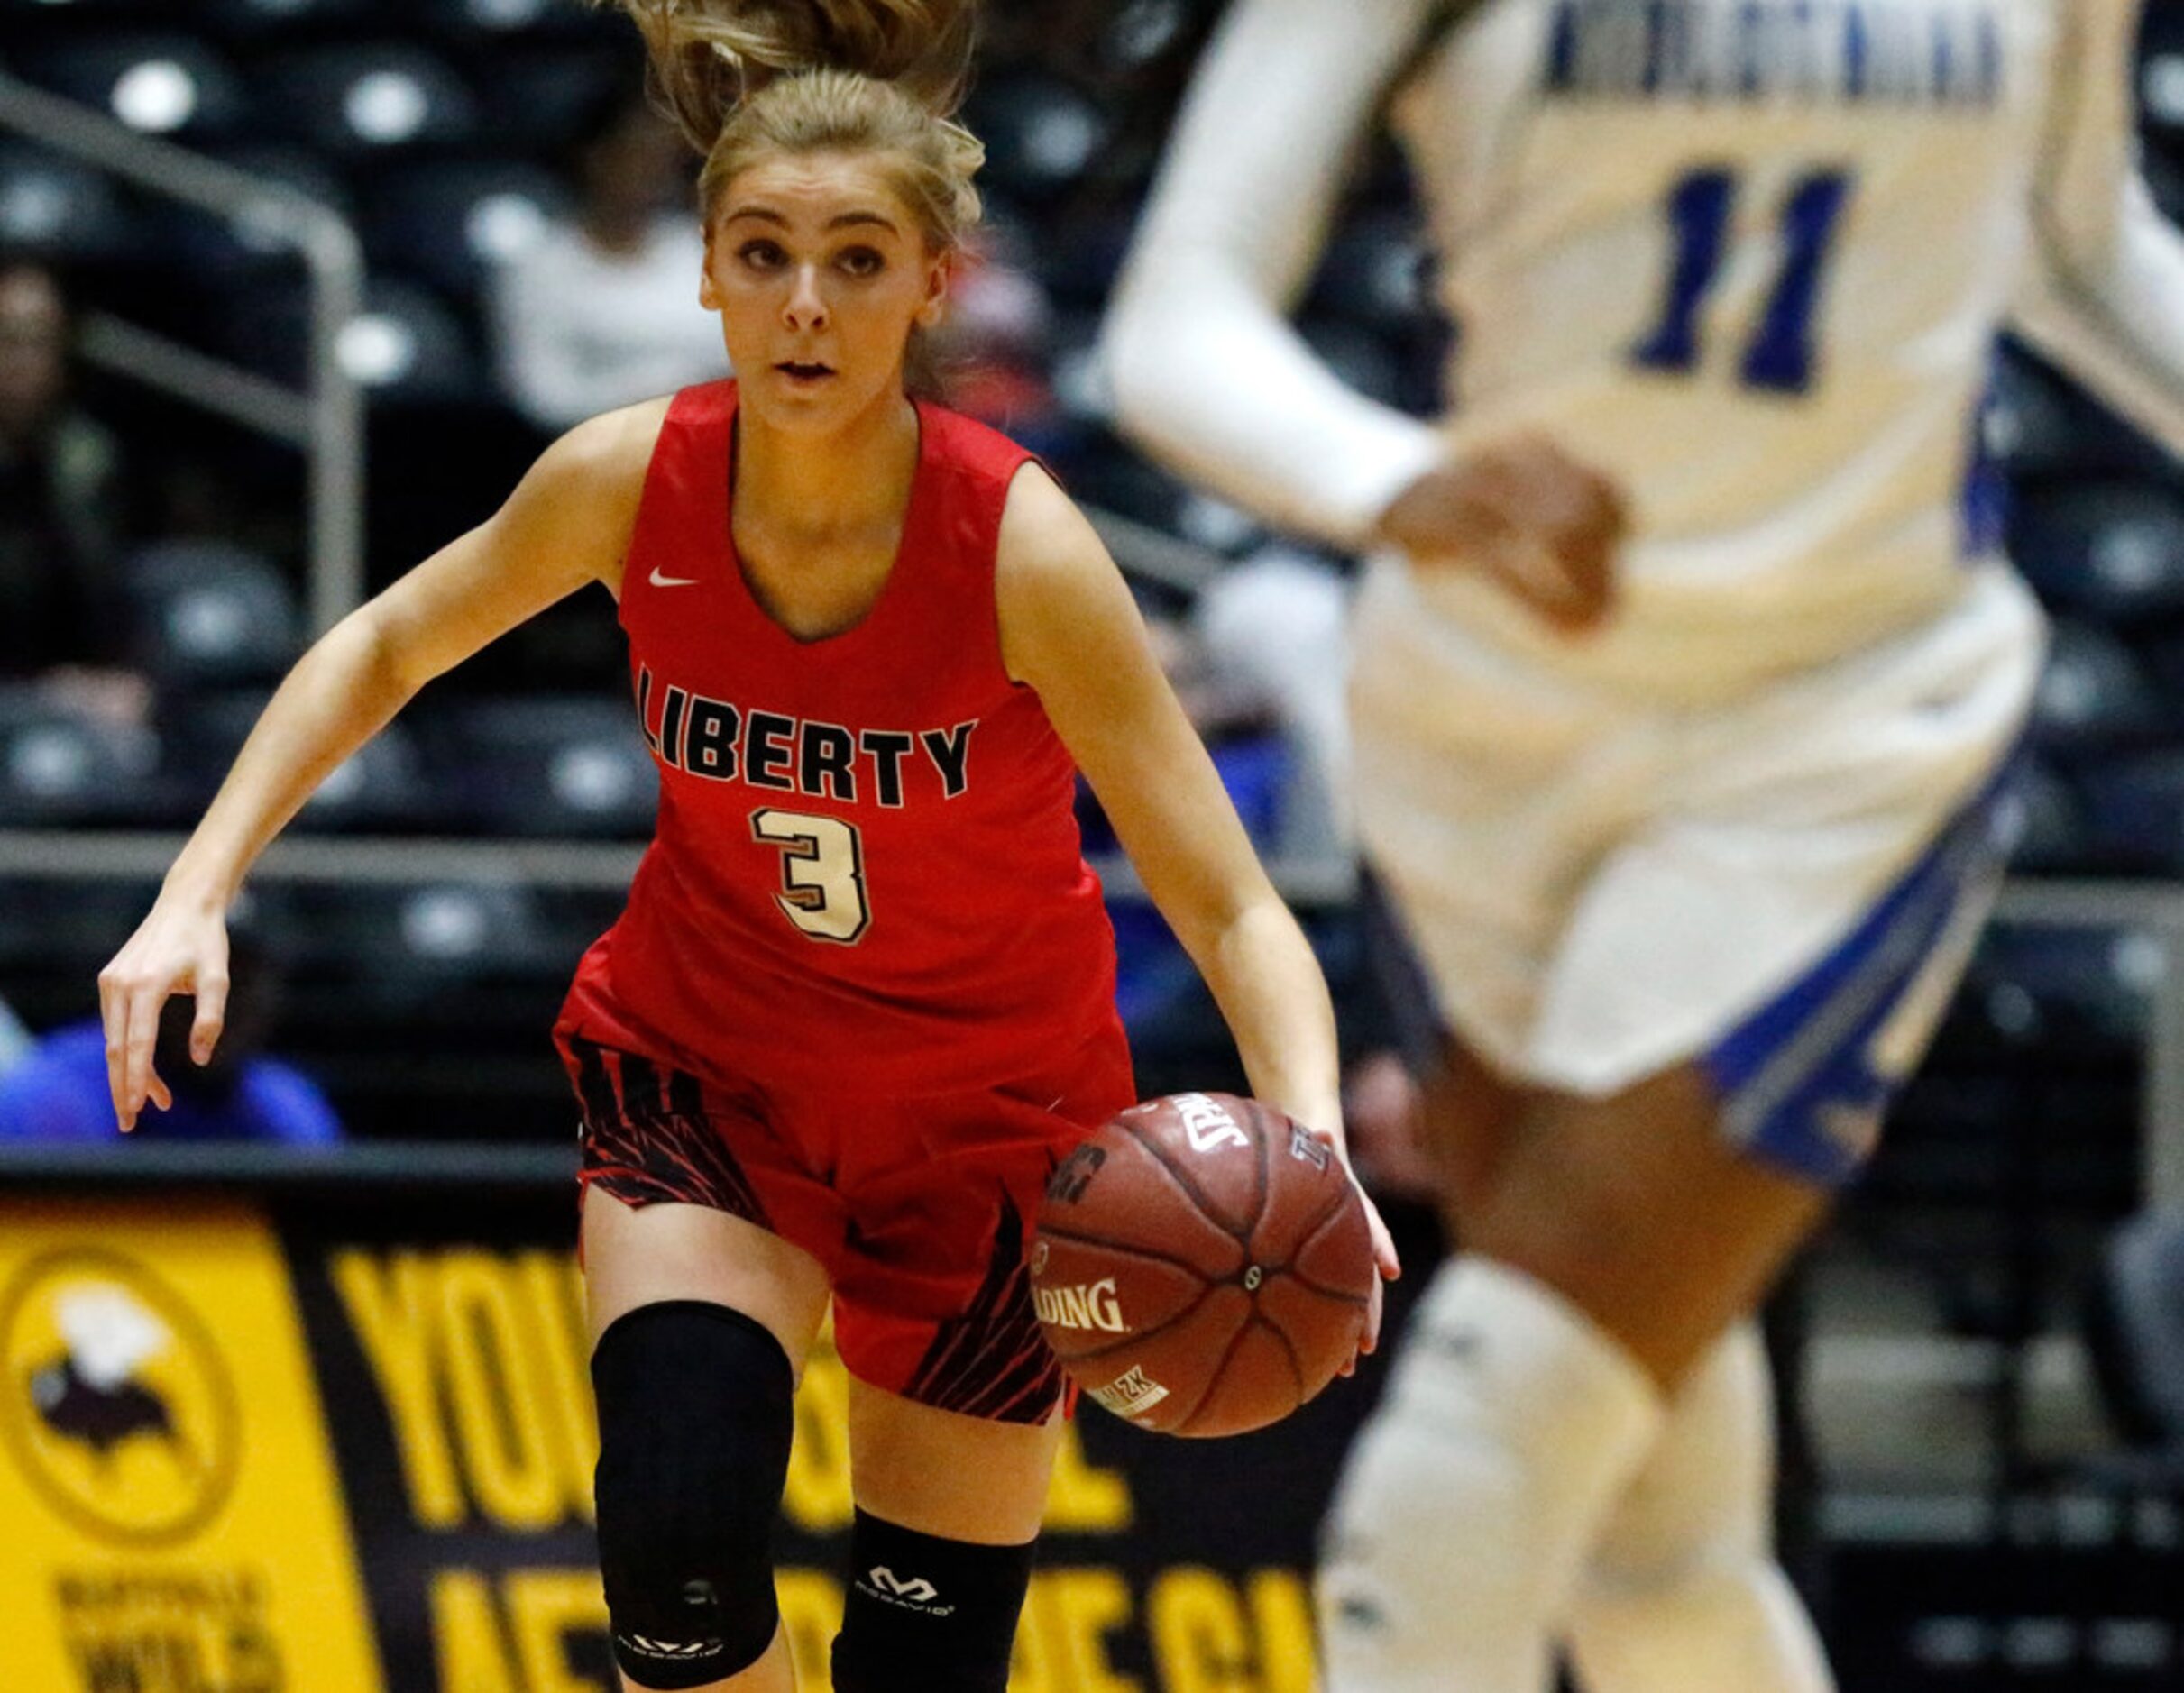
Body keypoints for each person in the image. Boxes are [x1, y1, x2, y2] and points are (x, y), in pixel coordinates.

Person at [96, 4, 1396, 1689]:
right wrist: (192, 889)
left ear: (931, 286)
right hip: (715, 1078)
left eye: (857, 260)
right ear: (704, 273)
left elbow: (1225, 898)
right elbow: (383, 644)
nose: (804, 302)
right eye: (764, 253)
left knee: (921, 1667)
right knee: (676, 1561)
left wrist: (1306, 1131)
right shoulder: (625, 482)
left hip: (994, 1132)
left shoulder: (1021, 547)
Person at [1103, 3, 2184, 1688]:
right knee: (1651, 1525)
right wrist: (1389, 477)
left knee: (1506, 1385)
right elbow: (1174, 318)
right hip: (1477, 718)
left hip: (1841, 715)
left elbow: (2071, 241)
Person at [487, 80, 733, 433]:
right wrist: (665, 397)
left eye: (662, 159)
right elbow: (542, 396)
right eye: (634, 155)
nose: (649, 173)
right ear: (594, 157)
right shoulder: (538, 267)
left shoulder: (706, 254)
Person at [2, 923, 338, 1145]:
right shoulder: (47, 1097)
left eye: (242, 983)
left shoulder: (288, 1106)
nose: (217, 1005)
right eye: (192, 980)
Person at [0, 253, 148, 725]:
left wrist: (122, 677)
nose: (22, 360)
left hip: (78, 699)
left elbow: (113, 601)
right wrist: (38, 689)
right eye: (8, 338)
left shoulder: (88, 460)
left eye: (39, 340)